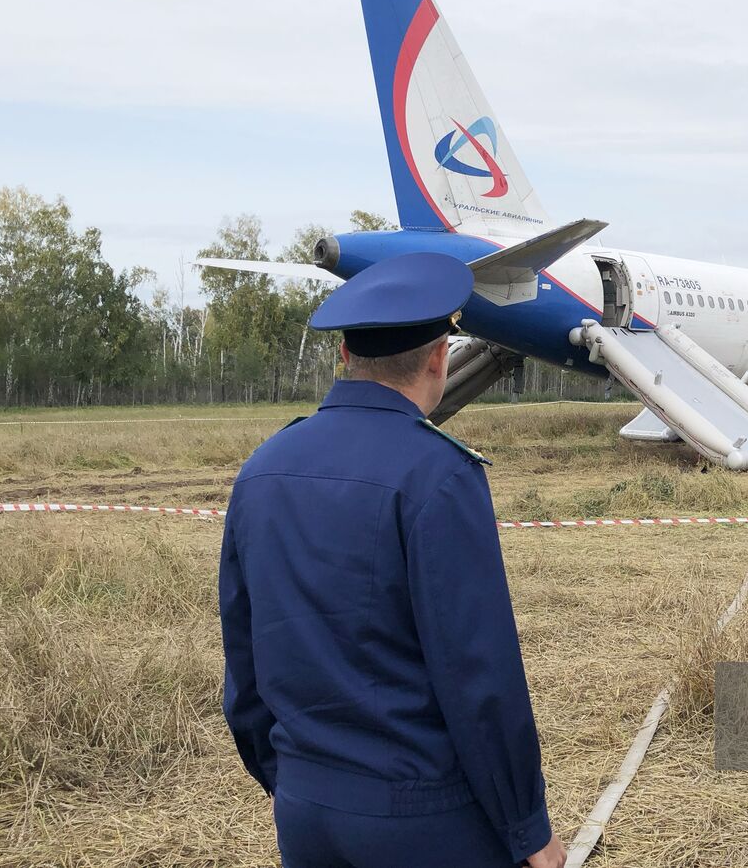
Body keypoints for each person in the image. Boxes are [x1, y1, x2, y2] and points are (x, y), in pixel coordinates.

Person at [219, 252, 566, 868]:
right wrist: (527, 825)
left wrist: (292, 779)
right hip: (425, 817)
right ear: (439, 357)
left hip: (305, 807)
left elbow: (244, 655)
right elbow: (479, 674)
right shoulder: (439, 475)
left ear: (346, 354)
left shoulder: (262, 468)